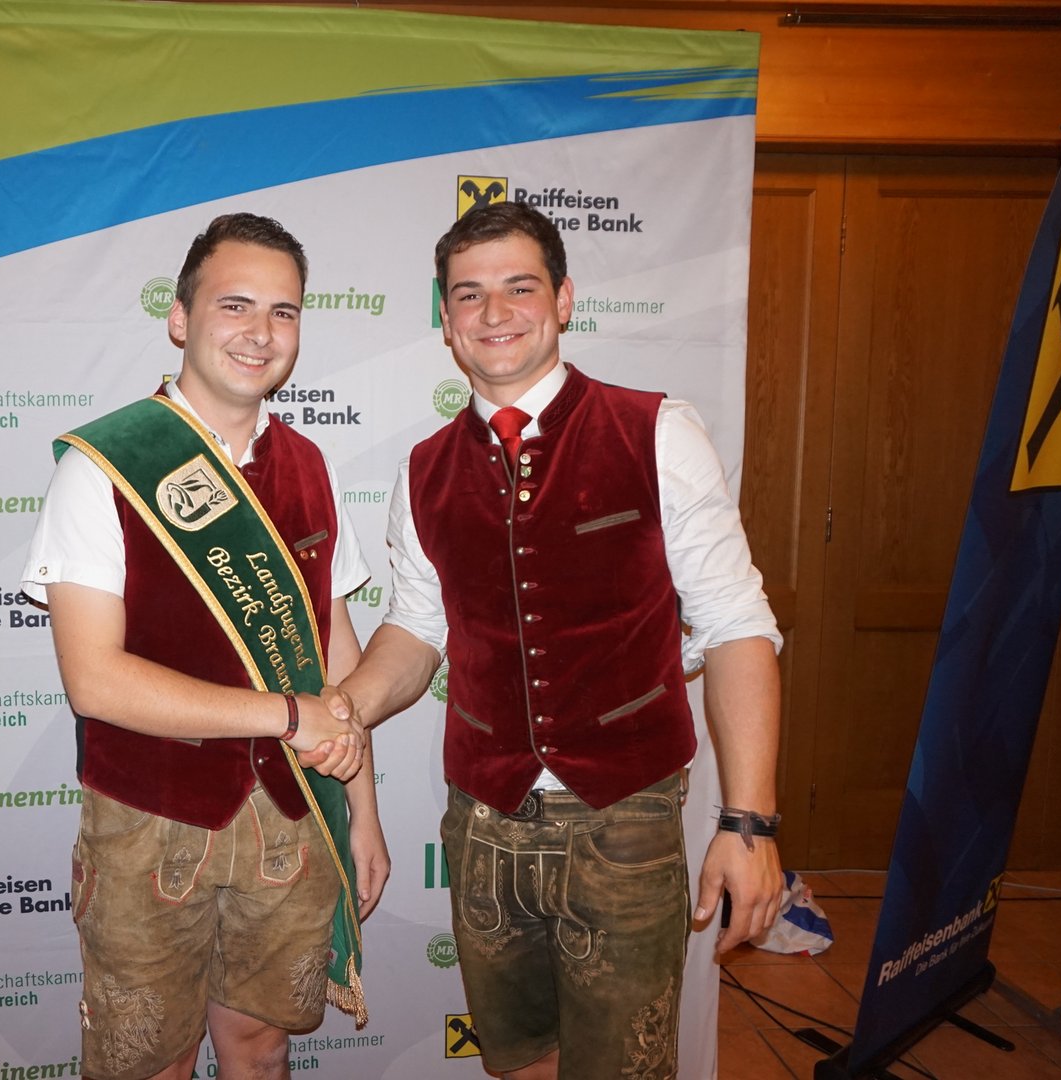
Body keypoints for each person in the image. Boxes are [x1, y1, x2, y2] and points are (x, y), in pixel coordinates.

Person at [336, 201, 784, 1079]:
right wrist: (341, 708)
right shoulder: (422, 469)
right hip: (482, 825)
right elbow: (417, 629)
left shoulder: (655, 432)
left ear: (564, 299)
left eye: (519, 287)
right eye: (468, 295)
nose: (494, 312)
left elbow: (737, 627)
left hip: (625, 825)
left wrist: (749, 823)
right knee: (517, 1064)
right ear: (446, 321)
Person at [21, 212, 390, 1080]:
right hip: (151, 825)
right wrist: (286, 715)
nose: (260, 332)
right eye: (234, 305)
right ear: (180, 318)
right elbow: (94, 681)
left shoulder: (309, 465)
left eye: (283, 312)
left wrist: (364, 809)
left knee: (261, 1049)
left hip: (294, 814)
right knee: (149, 1064)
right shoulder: (105, 465)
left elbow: (334, 653)